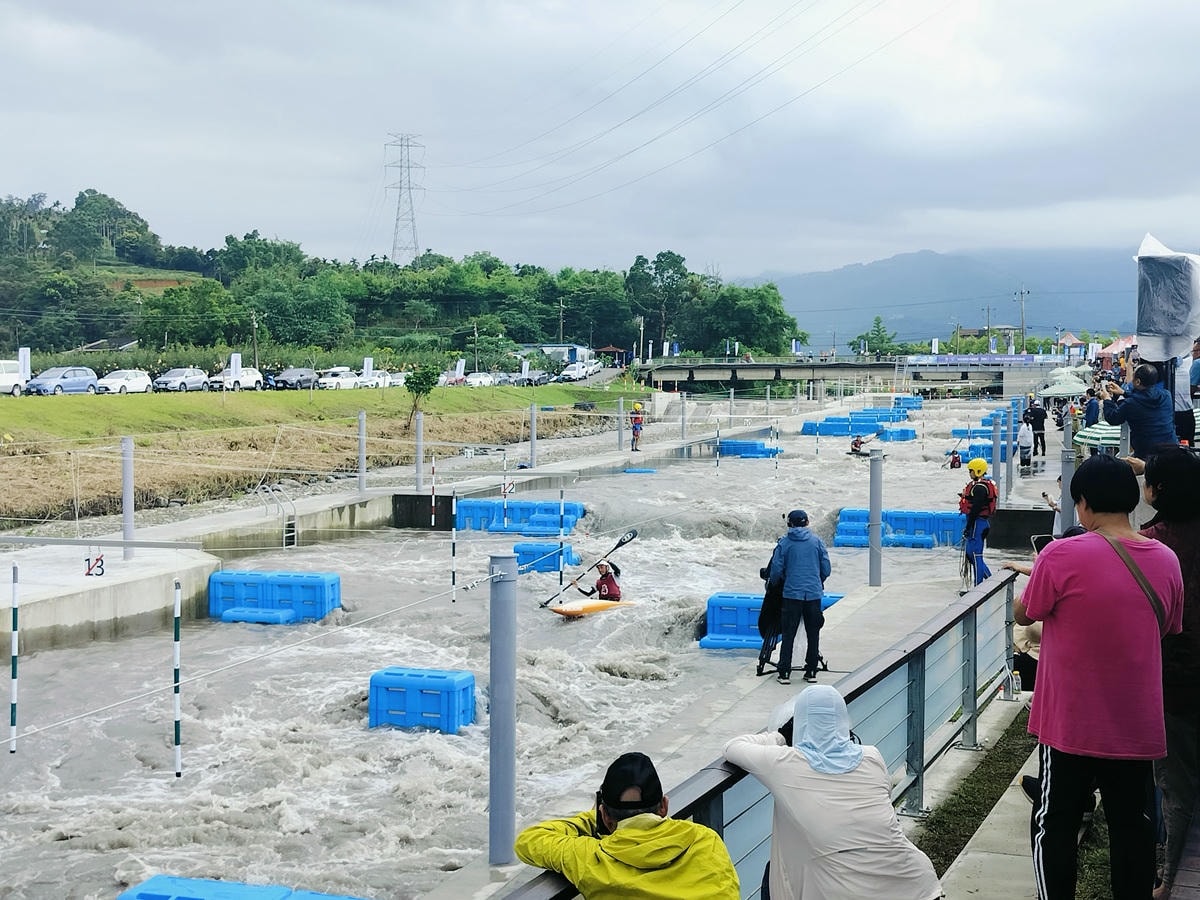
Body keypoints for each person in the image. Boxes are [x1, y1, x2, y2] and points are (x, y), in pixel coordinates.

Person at [1015, 454, 1184, 899]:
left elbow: (1026, 611)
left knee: (1055, 824)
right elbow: (1167, 625)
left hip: (1068, 723)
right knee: (1132, 828)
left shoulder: (1060, 553)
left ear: (1084, 504)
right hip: (1135, 725)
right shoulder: (1166, 560)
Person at [723, 686, 942, 900]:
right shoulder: (871, 757)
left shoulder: (784, 763)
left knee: (774, 874)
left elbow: (733, 747)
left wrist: (780, 736)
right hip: (913, 882)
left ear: (801, 723)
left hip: (840, 889)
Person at [514, 751, 739, 899]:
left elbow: (529, 840)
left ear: (606, 817)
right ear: (664, 806)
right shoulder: (705, 841)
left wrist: (595, 817)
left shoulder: (591, 859)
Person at [1126, 448, 1200, 898]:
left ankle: (1168, 881)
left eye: (1148, 480)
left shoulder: (1151, 544)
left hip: (1171, 679)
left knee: (1175, 784)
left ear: (1157, 492)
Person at [767, 509, 831, 685]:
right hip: (813, 594)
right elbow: (826, 568)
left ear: (790, 524)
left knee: (789, 634)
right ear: (807, 523)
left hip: (791, 594)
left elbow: (776, 570)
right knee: (813, 633)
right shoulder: (817, 542)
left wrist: (774, 583)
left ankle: (785, 673)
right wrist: (818, 581)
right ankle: (811, 671)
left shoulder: (784, 543)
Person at [1100, 362, 1178, 458]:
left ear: (1137, 382)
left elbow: (1113, 418)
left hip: (1147, 452)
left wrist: (1107, 399)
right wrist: (1124, 392)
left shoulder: (1130, 404)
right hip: (1171, 447)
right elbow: (1146, 398)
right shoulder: (1166, 395)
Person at [958, 458, 997, 586]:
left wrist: (968, 527)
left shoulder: (980, 488)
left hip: (978, 524)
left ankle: (978, 587)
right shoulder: (979, 485)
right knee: (970, 553)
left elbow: (976, 509)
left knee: (976, 555)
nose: (969, 473)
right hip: (976, 523)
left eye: (971, 471)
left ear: (977, 471)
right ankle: (991, 581)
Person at [1172, 353, 1195, 448]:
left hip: (1182, 413)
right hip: (1183, 413)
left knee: (1186, 449)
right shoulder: (1190, 363)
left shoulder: (1190, 361)